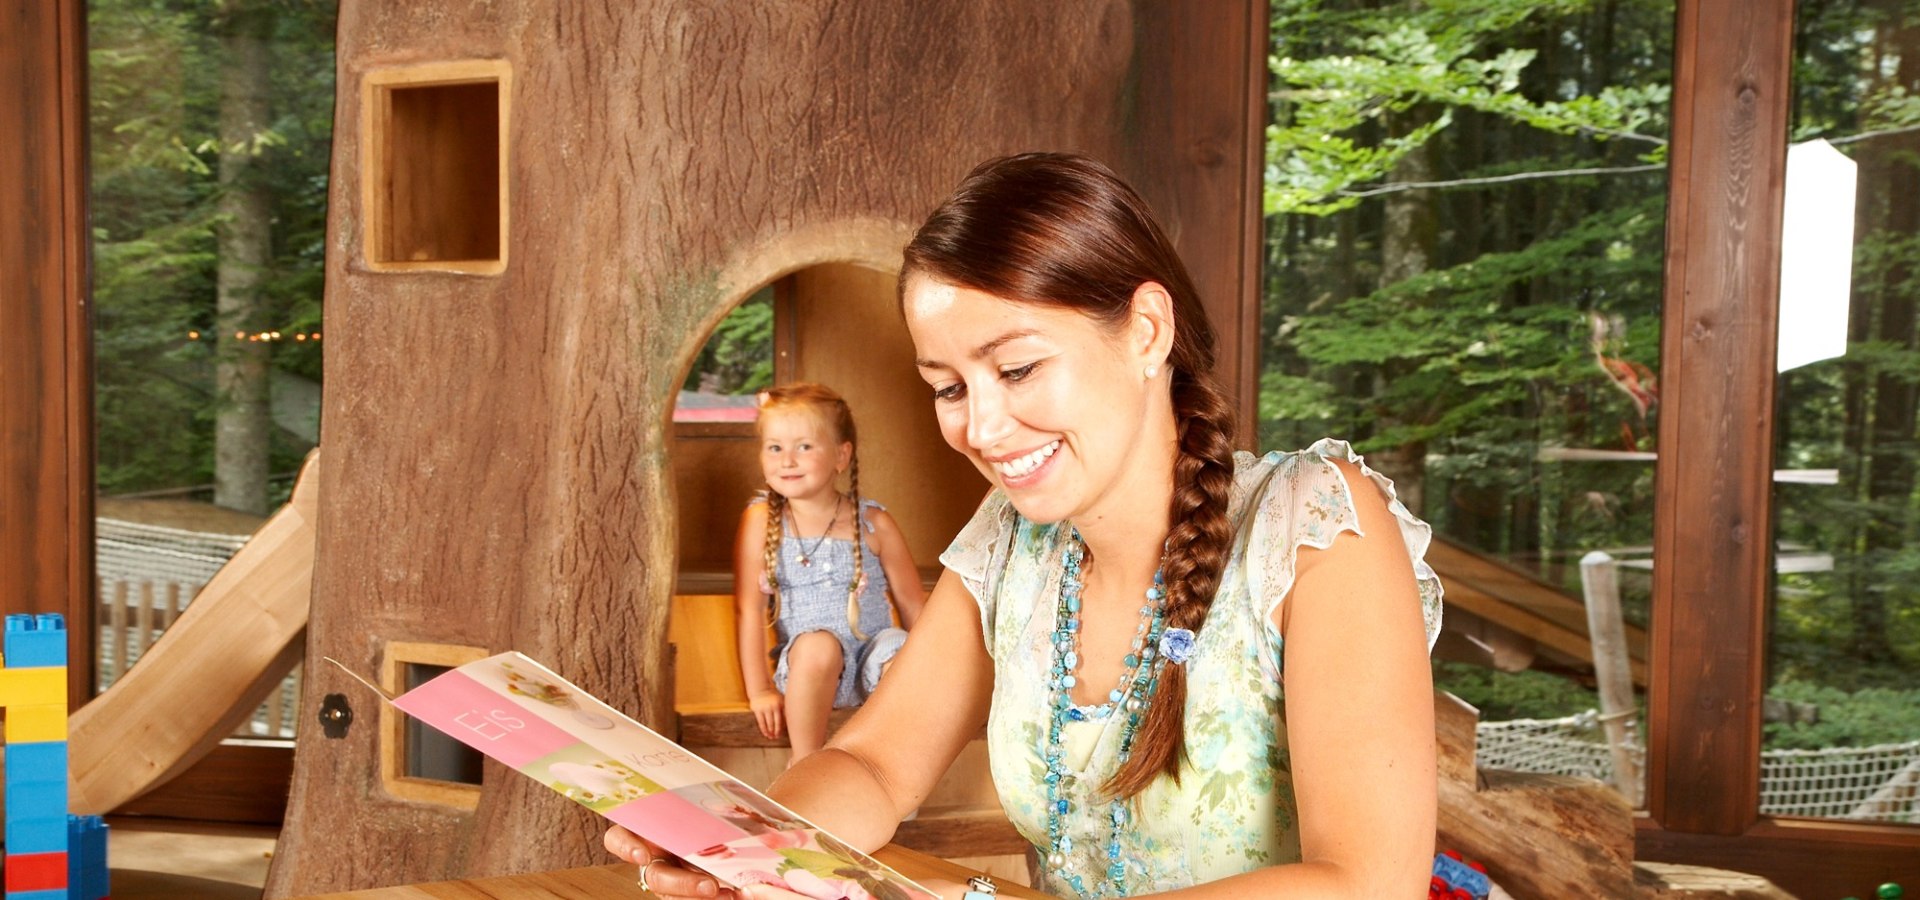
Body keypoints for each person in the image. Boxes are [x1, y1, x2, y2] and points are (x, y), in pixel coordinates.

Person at [610, 153, 1443, 898]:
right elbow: (873, 764)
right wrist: (743, 840)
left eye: (1017, 368)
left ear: (1147, 331)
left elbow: (1369, 880)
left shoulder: (1318, 527)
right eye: (948, 386)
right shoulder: (1013, 539)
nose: (984, 426)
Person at [739, 383, 927, 764]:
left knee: (902, 648)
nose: (787, 460)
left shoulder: (874, 522)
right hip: (810, 672)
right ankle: (805, 764)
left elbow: (912, 604)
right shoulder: (761, 521)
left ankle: (891, 770)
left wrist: (938, 673)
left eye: (804, 446)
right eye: (775, 447)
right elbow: (748, 610)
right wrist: (759, 689)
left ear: (841, 456)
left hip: (872, 662)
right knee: (818, 644)